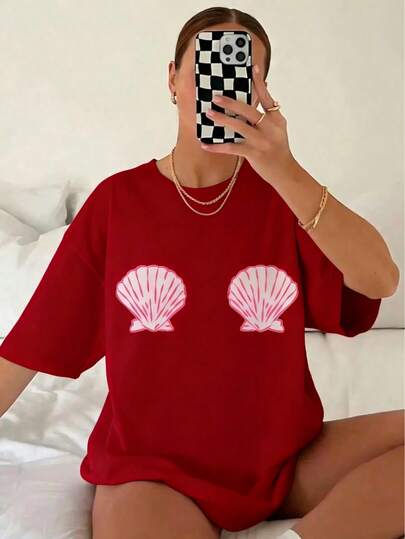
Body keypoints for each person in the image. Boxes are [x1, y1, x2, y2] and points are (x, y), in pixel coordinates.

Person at [0, 6, 402, 539]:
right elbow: (31, 344)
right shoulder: (119, 202)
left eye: (240, 72)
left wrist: (284, 169)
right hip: (153, 471)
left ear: (259, 92)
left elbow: (380, 279)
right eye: (205, 66)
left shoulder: (288, 199)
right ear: (172, 78)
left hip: (284, 460)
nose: (220, 86)